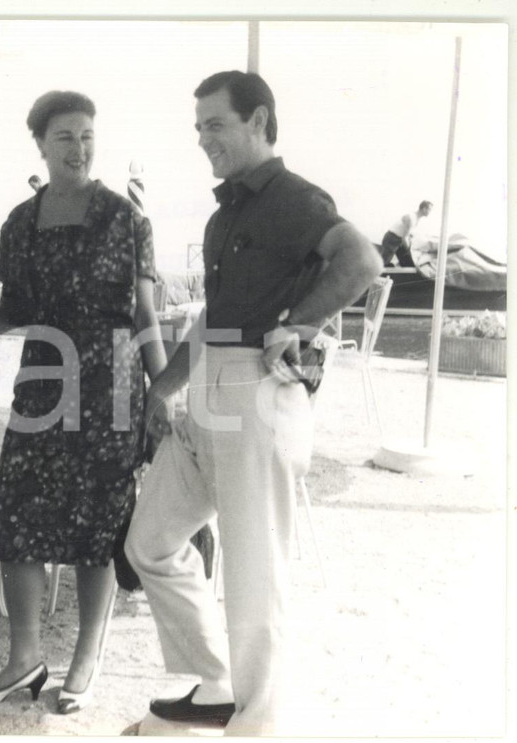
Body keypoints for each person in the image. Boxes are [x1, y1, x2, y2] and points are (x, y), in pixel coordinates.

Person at [125, 71, 381, 736]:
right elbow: (214, 315)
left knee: (254, 573)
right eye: (198, 126)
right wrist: (162, 385)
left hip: (260, 392)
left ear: (260, 122)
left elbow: (361, 259)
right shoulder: (227, 214)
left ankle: (257, 723)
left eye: (215, 123)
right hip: (212, 386)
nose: (203, 138)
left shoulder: (293, 197)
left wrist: (301, 324)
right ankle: (215, 682)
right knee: (150, 540)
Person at [0, 91, 167, 713]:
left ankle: (86, 654)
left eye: (86, 136)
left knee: (98, 521)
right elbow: (19, 307)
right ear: (41, 145)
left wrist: (163, 391)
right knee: (16, 511)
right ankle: (24, 659)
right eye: (65, 137)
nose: (78, 149)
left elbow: (145, 313)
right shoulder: (19, 223)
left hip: (113, 383)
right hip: (44, 376)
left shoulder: (127, 219)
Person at [379, 200, 432, 267]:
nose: (430, 212)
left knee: (408, 262)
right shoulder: (411, 218)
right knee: (383, 262)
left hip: (399, 240)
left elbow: (407, 233)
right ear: (424, 209)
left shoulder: (416, 218)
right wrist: (408, 249)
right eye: (430, 210)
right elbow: (404, 238)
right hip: (392, 239)